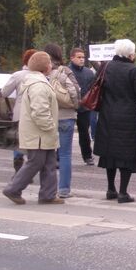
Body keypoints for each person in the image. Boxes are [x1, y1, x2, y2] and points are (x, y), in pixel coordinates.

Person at [94, 39, 136, 203]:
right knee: (126, 155)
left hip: (107, 114)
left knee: (109, 154)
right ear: (130, 54)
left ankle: (110, 189)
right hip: (127, 116)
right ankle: (123, 192)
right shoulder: (133, 70)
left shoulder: (105, 67)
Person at [2, 51, 64, 205]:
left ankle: (48, 195)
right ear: (45, 66)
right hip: (40, 134)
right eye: (49, 62)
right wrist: (50, 127)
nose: (51, 65)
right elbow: (40, 111)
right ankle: (13, 189)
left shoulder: (36, 82)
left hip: (41, 134)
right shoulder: (39, 85)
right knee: (35, 162)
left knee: (49, 163)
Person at [0, 48, 37, 174]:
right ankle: (29, 170)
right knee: (33, 143)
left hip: (20, 114)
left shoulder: (17, 75)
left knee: (18, 141)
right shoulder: (43, 76)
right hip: (36, 115)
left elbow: (3, 92)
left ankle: (19, 169)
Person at [44, 43, 80, 199]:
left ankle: (48, 189)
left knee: (48, 155)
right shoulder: (65, 71)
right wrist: (75, 105)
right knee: (65, 154)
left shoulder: (40, 73)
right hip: (66, 116)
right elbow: (76, 90)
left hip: (47, 117)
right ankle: (64, 189)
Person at [68, 47, 96, 166]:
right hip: (69, 107)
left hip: (84, 107)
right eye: (79, 57)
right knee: (65, 132)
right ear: (72, 58)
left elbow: (92, 89)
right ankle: (60, 156)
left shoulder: (89, 72)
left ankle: (87, 156)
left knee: (84, 133)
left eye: (83, 57)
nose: (81, 59)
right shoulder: (66, 71)